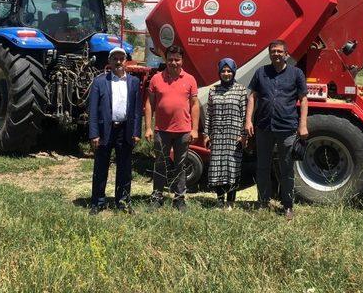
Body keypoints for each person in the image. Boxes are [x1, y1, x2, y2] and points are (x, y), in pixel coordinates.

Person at [245, 39, 308, 220]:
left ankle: (287, 205)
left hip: (287, 127)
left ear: (286, 54)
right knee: (262, 166)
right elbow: (252, 97)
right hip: (264, 127)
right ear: (269, 54)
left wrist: (303, 125)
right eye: (273, 51)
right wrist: (248, 121)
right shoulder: (261, 72)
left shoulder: (296, 74)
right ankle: (263, 202)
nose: (276, 54)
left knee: (286, 168)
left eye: (279, 51)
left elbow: (303, 99)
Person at [144, 44, 199, 211]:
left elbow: (195, 105)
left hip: (183, 130)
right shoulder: (156, 79)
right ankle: (157, 196)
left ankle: (179, 198)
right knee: (160, 163)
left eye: (177, 59)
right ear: (165, 60)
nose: (173, 63)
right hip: (162, 130)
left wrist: (194, 129)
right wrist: (148, 127)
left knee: (180, 165)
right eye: (170, 59)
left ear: (182, 61)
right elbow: (149, 104)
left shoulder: (190, 79)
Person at [88, 47, 142, 214]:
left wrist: (136, 132)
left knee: (125, 168)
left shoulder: (134, 82)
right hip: (105, 130)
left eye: (121, 58)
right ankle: (98, 202)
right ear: (109, 62)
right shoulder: (100, 82)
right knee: (100, 167)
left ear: (126, 61)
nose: (118, 62)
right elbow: (93, 110)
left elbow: (137, 110)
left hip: (125, 130)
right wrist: (94, 133)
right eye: (115, 59)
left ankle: (123, 201)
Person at [203, 58, 247, 210]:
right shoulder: (213, 90)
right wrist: (206, 134)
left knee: (232, 168)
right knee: (217, 167)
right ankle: (219, 201)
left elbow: (244, 114)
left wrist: (243, 135)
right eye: (223, 71)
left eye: (229, 71)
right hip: (217, 135)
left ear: (234, 72)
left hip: (233, 136)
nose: (226, 74)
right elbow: (209, 113)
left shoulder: (240, 90)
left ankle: (230, 202)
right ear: (219, 72)